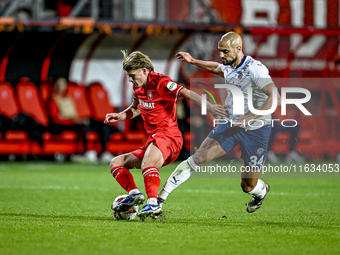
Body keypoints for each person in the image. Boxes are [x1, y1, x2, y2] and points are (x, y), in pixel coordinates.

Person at [158, 32, 281, 214]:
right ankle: (159, 200)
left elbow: (275, 96)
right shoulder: (228, 65)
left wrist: (252, 116)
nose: (221, 55)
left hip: (257, 129)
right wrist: (193, 61)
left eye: (225, 51)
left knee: (248, 186)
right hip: (231, 124)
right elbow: (216, 68)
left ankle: (261, 191)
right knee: (198, 158)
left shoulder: (256, 69)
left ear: (238, 49)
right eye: (220, 51)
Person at [104, 50, 226, 219]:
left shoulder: (161, 82)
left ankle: (153, 205)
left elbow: (187, 93)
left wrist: (210, 107)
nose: (130, 79)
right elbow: (135, 109)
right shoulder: (138, 87)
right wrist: (120, 115)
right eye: (129, 76)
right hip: (154, 140)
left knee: (148, 163)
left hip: (169, 137)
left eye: (132, 75)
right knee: (116, 162)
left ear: (144, 70)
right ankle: (135, 194)